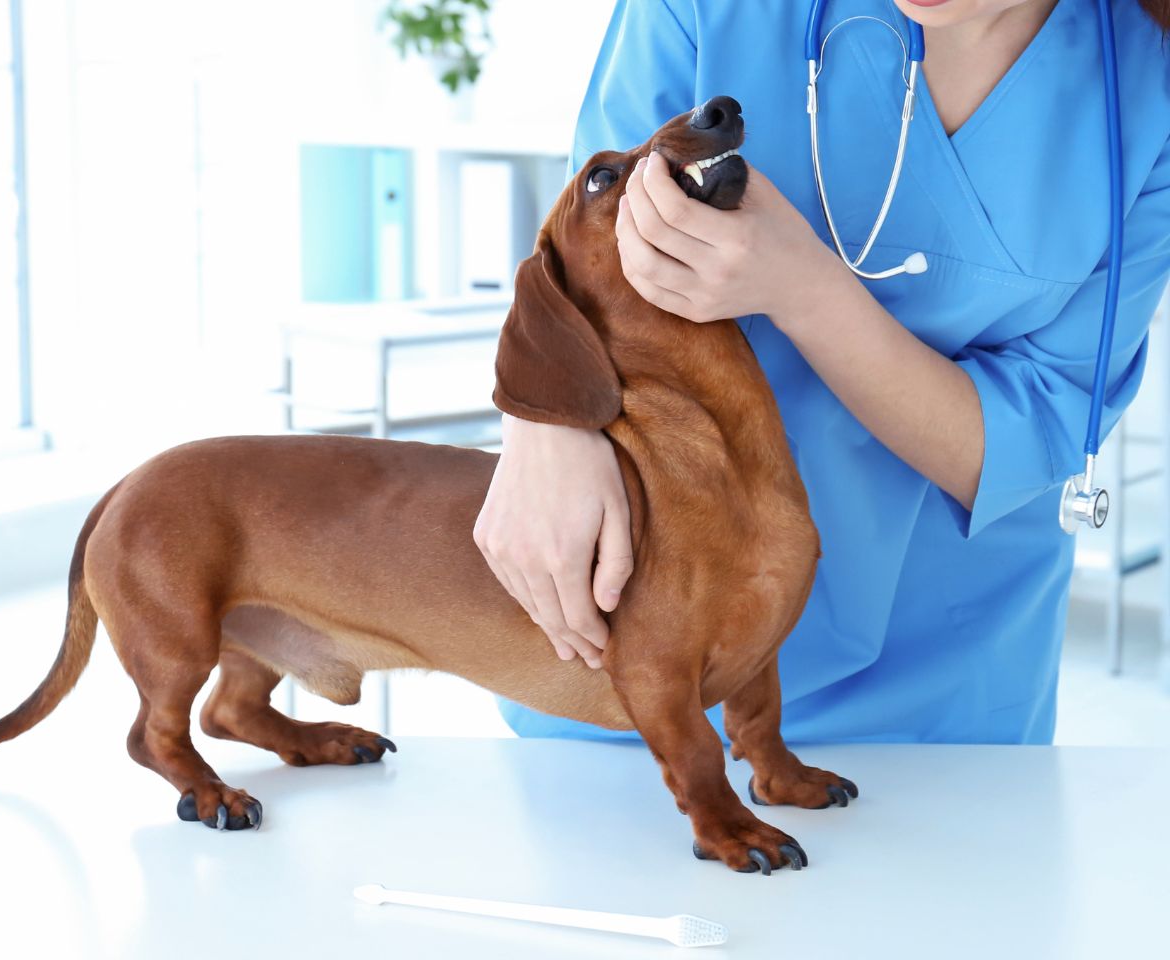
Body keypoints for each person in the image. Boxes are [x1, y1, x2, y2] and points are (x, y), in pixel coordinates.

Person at [473, 0, 1170, 745]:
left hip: (941, 699)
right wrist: (543, 427)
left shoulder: (1142, 94)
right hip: (645, 650)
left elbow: (1020, 445)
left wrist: (805, 290)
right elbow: (588, 241)